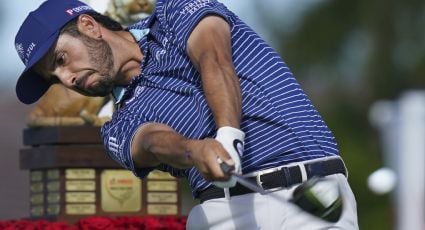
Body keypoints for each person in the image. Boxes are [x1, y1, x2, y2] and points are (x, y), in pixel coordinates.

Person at [14, 0, 358, 229]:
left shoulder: (175, 12)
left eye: (60, 60)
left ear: (88, 26)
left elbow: (213, 56)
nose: (66, 78)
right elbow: (153, 141)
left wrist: (226, 135)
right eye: (54, 77)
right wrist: (197, 150)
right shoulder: (116, 127)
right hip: (219, 215)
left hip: (310, 194)